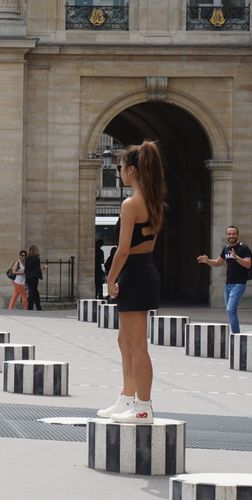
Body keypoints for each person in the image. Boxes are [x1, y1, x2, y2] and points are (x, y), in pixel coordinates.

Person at [98, 140, 166, 424]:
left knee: (137, 344)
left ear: (133, 170)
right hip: (144, 269)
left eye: (121, 167)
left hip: (134, 271)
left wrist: (109, 279)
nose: (120, 172)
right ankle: (128, 396)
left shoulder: (130, 204)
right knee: (125, 340)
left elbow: (123, 249)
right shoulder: (153, 202)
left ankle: (143, 406)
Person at [196, 225, 252, 333]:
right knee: (231, 311)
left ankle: (236, 335)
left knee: (230, 310)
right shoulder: (226, 249)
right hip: (228, 284)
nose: (231, 236)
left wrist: (236, 257)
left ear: (237, 235)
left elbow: (248, 264)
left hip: (239, 283)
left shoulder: (244, 248)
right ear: (227, 235)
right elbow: (218, 262)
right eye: (229, 234)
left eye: (233, 234)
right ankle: (235, 334)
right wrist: (207, 260)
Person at [24, 245, 47, 311]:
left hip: (28, 277)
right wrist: (43, 268)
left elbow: (26, 269)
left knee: (35, 292)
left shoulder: (27, 258)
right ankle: (30, 307)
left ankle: (38, 307)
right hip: (34, 278)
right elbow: (37, 269)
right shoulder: (36, 258)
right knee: (32, 292)